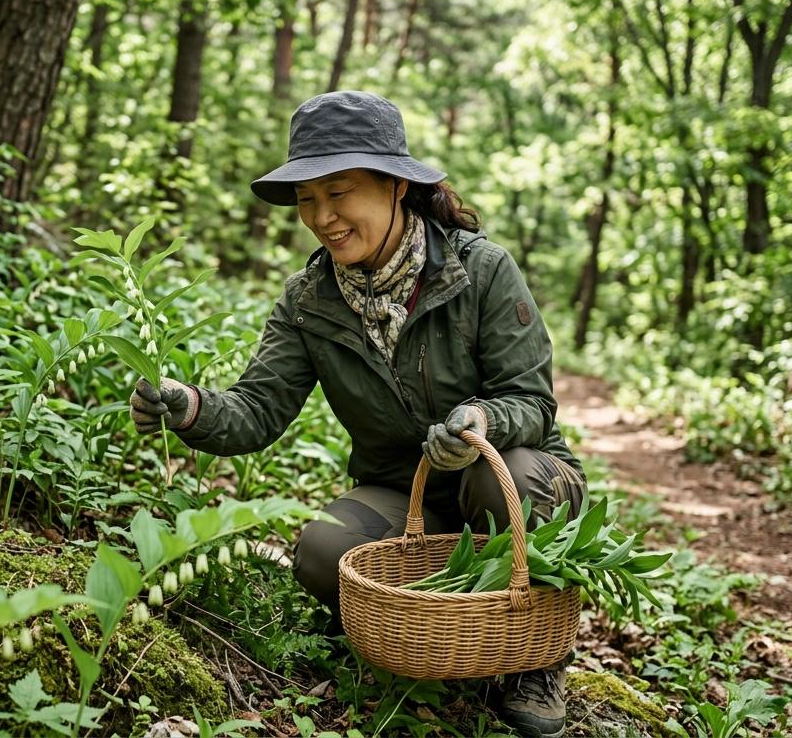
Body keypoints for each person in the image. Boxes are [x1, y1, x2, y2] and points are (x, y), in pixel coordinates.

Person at [130, 90, 586, 738]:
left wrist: (481, 424)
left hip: (514, 475)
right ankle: (434, 638)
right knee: (321, 551)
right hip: (406, 497)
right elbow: (259, 409)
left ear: (396, 185)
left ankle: (535, 660)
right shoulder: (309, 299)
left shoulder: (480, 271)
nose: (321, 216)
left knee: (499, 478)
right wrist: (191, 407)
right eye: (307, 200)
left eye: (338, 193)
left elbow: (532, 401)